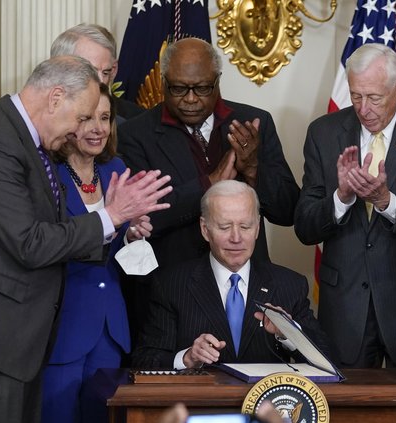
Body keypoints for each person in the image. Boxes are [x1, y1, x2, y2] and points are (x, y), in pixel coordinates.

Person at [0, 55, 172, 423]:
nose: (80, 130)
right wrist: (110, 216)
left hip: (9, 338)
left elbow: (51, 229)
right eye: (81, 117)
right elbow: (29, 242)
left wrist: (114, 221)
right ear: (55, 98)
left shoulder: (24, 140)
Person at [118, 37, 299, 337]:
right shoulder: (136, 134)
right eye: (178, 89)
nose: (190, 99)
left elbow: (287, 210)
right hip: (173, 296)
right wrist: (209, 184)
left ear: (217, 82)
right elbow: (143, 218)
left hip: (246, 291)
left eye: (202, 88)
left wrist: (254, 169)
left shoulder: (254, 123)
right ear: (163, 82)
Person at [294, 43, 396, 369]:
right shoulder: (323, 133)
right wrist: (341, 198)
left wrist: (386, 201)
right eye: (355, 96)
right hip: (344, 305)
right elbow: (304, 227)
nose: (363, 108)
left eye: (374, 98)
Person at [41, 83, 150, 423]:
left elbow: (119, 242)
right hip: (62, 324)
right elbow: (43, 242)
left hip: (110, 327)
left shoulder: (116, 168)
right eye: (87, 118)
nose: (98, 128)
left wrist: (133, 234)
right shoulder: (47, 172)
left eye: (105, 117)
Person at [132, 180, 328, 369]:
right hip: (201, 402)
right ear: (205, 229)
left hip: (268, 403)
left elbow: (326, 359)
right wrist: (187, 358)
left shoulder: (290, 285)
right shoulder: (171, 284)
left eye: (245, 227)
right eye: (225, 227)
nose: (236, 238)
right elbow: (144, 360)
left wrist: (289, 334)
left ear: (258, 228)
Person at [50, 23, 144, 121]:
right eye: (91, 72)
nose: (101, 82)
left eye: (106, 72)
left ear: (114, 69)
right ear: (60, 70)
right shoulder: (41, 117)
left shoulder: (135, 121)